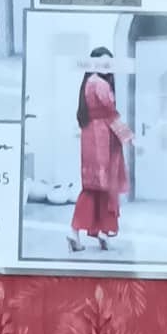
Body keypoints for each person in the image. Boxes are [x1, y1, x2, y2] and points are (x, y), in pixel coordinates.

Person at [69, 48, 133, 252]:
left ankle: (96, 234)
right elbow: (111, 114)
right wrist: (129, 138)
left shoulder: (88, 83)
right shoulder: (101, 84)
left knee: (95, 186)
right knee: (101, 186)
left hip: (90, 136)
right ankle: (80, 231)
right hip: (103, 139)